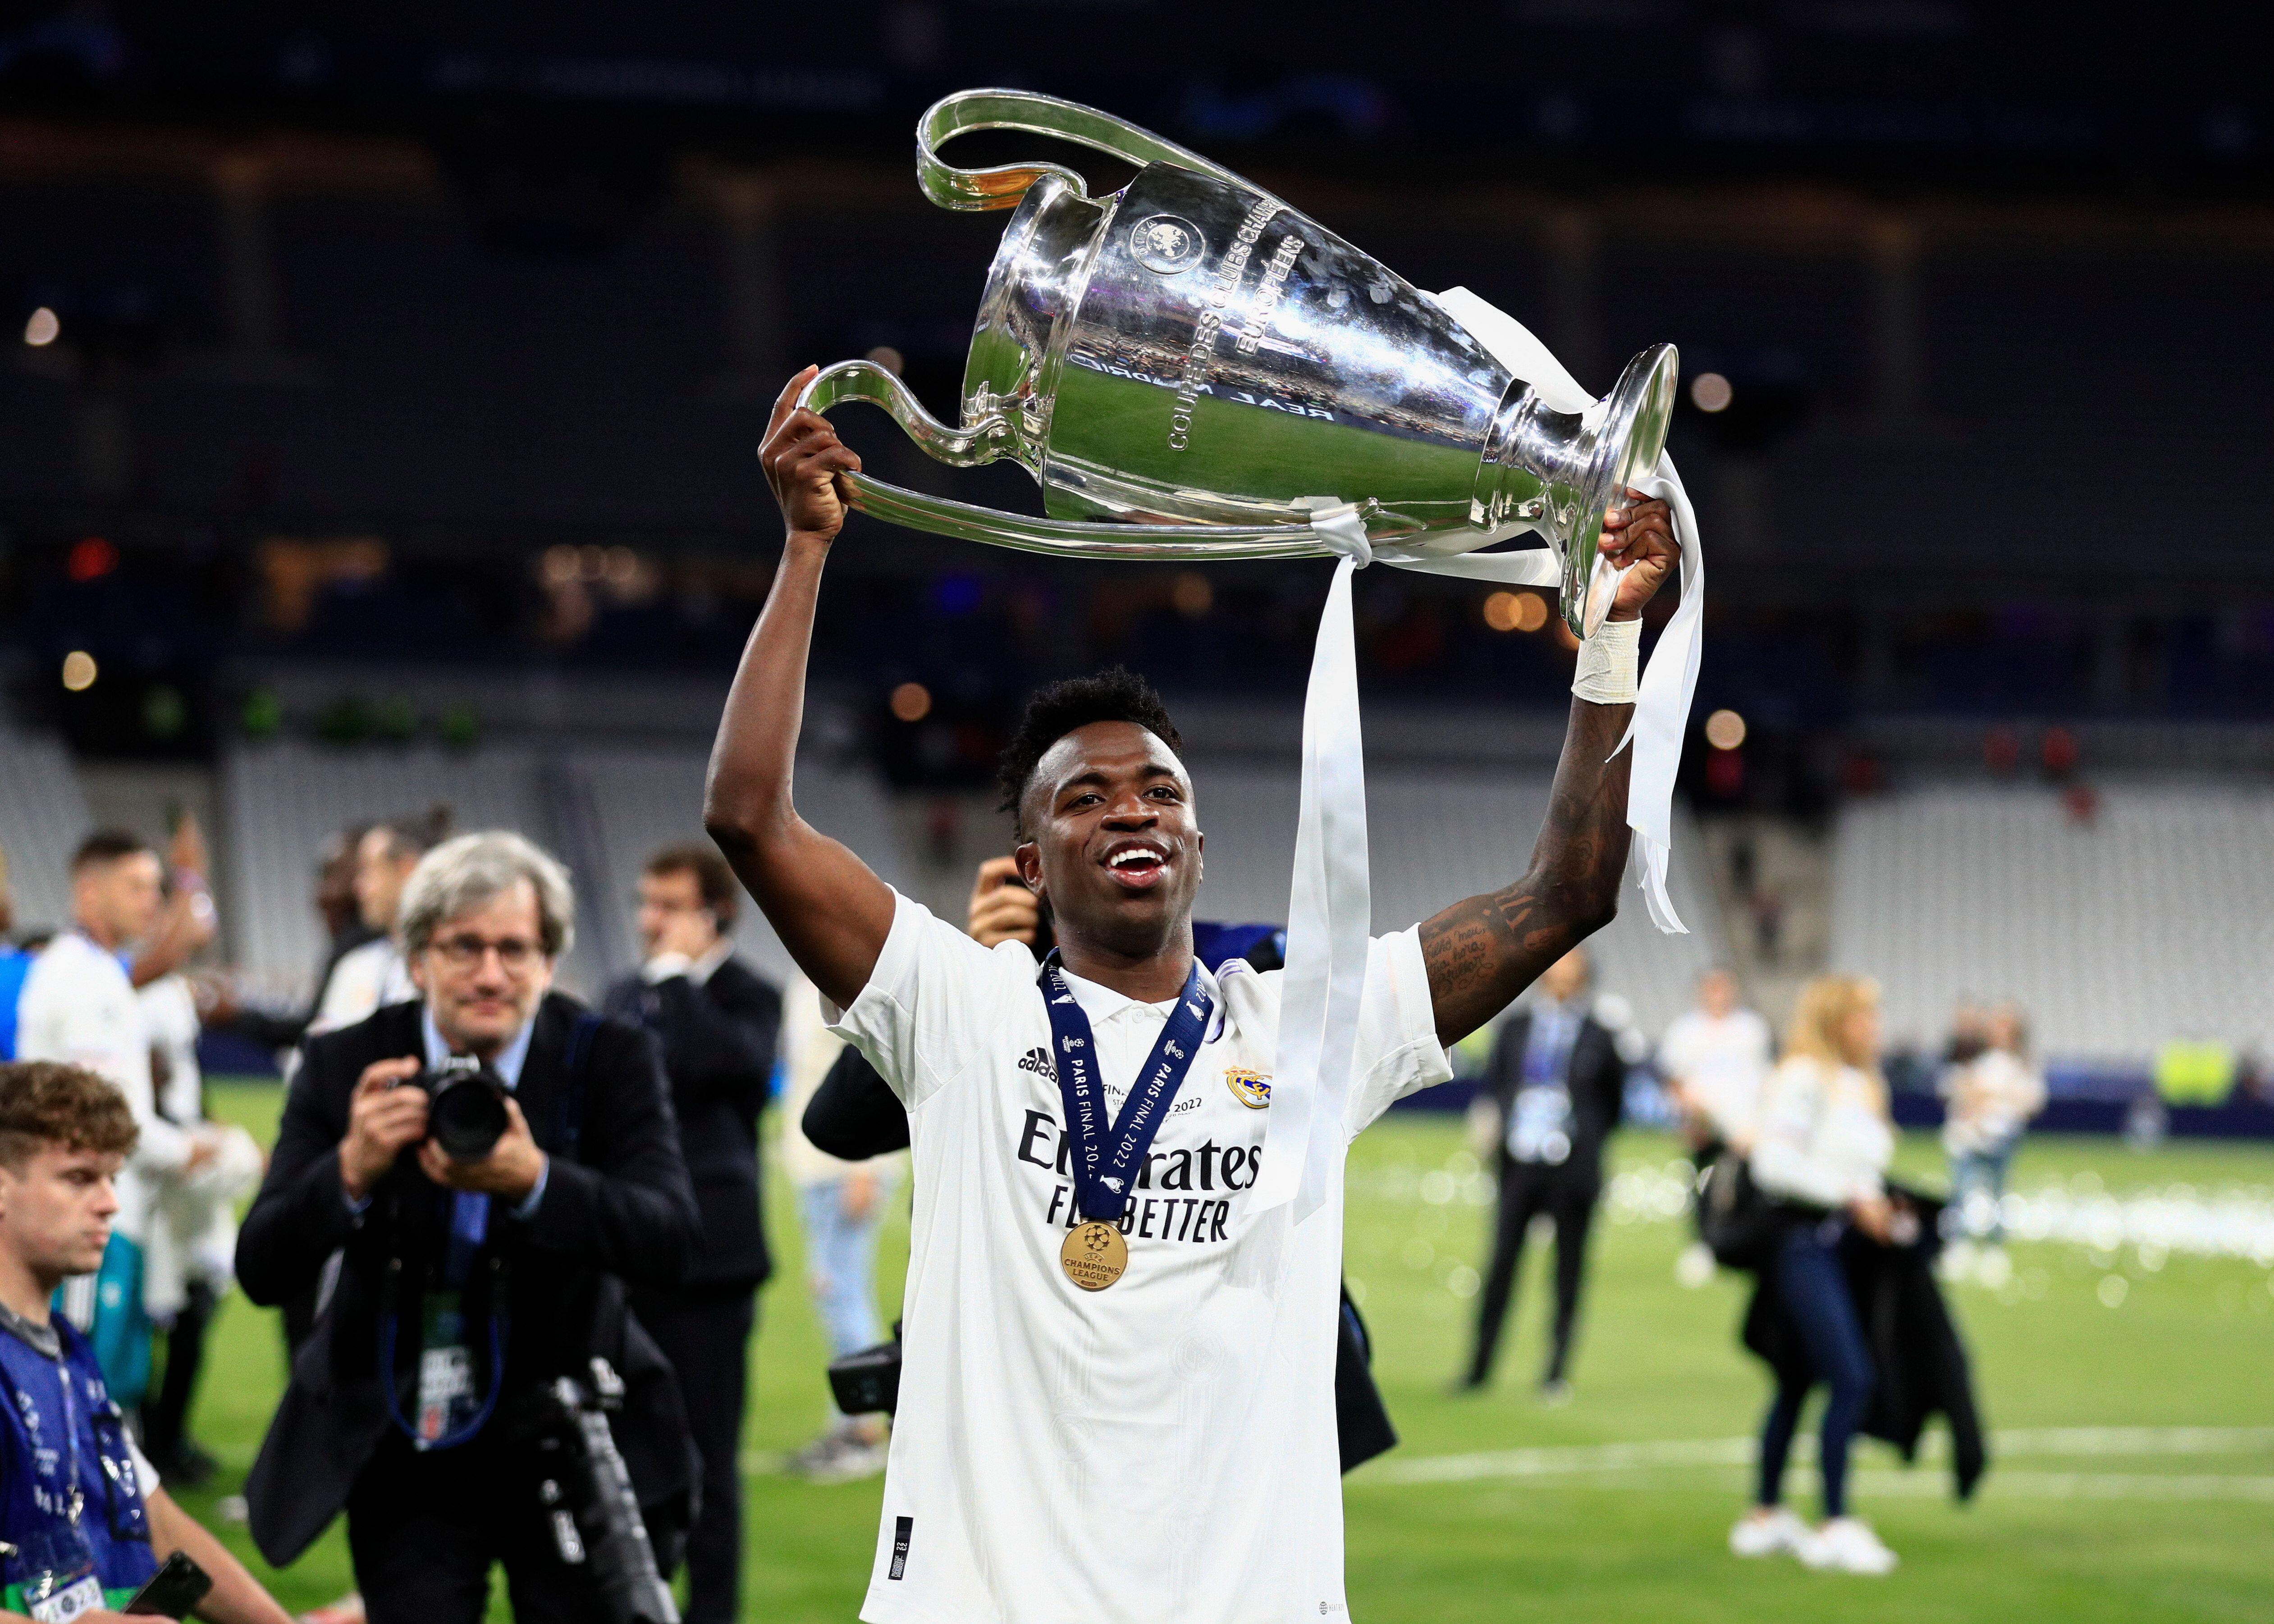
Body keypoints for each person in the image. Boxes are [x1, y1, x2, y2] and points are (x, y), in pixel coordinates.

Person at [697, 371, 1678, 1624]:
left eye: (1160, 791)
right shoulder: (962, 1010)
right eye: (1086, 797)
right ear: (1029, 866)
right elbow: (748, 816)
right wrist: (803, 550)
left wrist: (1606, 630)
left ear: (1199, 846)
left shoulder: (1304, 1028)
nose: (1132, 810)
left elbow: (1565, 892)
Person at [233, 831, 700, 1624]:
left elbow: (672, 1239)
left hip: (567, 1426)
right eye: (464, 947)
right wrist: (350, 1164)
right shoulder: (349, 1059)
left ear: (549, 962)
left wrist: (538, 1181)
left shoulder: (609, 1056)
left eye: (515, 949)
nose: (491, 974)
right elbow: (263, 1265)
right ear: (415, 959)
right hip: (404, 1431)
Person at [0, 1059, 295, 1624]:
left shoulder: (64, 1350)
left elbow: (156, 1521)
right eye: (79, 1178)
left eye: (113, 1178)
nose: (110, 1202)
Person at [600, 843, 781, 1624]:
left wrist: (677, 979)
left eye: (669, 905)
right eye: (647, 901)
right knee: (619, 1457)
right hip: (625, 1257)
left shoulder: (749, 994)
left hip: (713, 1266)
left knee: (708, 1460)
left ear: (717, 914)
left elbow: (730, 1069)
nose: (650, 920)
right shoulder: (619, 990)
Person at [14, 832, 225, 1410]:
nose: (150, 901)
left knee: (107, 1383)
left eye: (156, 888)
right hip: (78, 1207)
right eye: (135, 887)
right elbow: (92, 1116)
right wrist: (191, 1151)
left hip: (110, 1202)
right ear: (88, 889)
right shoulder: (76, 977)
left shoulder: (100, 970)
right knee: (78, 1383)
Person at [1731, 975, 1901, 1576]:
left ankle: (1765, 1514)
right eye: (1864, 1017)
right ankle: (1833, 1523)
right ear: (1834, 1021)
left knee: (1798, 1382)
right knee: (1850, 1378)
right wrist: (1854, 1198)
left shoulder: (1863, 1084)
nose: (1875, 1028)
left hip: (1845, 1250)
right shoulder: (1804, 1077)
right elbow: (1775, 1165)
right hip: (1803, 1245)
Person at [1459, 946, 1628, 1400]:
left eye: (1571, 964)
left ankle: (1554, 1372)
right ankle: (1478, 1368)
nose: (1561, 973)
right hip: (1518, 1164)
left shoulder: (1600, 1035)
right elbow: (1495, 1086)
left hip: (1572, 1168)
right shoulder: (1514, 1028)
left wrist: (1584, 1141)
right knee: (1500, 1265)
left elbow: (1613, 1104)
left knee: (1568, 1271)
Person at [776, 974, 897, 1482]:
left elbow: (875, 1063)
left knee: (842, 1292)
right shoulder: (800, 987)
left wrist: (864, 1170)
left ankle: (862, 1427)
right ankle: (857, 1421)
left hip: (842, 1171)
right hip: (814, 1170)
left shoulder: (850, 972)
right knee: (836, 1293)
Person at [308, 811, 449, 1037]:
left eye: (368, 871)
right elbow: (313, 1059)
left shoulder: (452, 971)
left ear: (407, 869)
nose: (359, 888)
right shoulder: (356, 966)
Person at [1939, 1002, 2043, 1285]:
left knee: (1997, 1193)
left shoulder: (2022, 1065)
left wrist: (1996, 1098)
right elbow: (1958, 1090)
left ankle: (1994, 1249)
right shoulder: (1976, 1058)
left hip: (2002, 1138)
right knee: (1960, 1192)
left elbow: (2030, 1101)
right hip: (1969, 1138)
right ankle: (1958, 1246)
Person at [1660, 967, 1773, 1155]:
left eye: (1724, 987)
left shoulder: (1753, 1027)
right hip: (1702, 1123)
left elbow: (1765, 1074)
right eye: (1713, 988)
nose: (1719, 994)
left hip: (1746, 1122)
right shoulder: (1684, 1030)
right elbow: (1673, 1079)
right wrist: (1692, 1113)